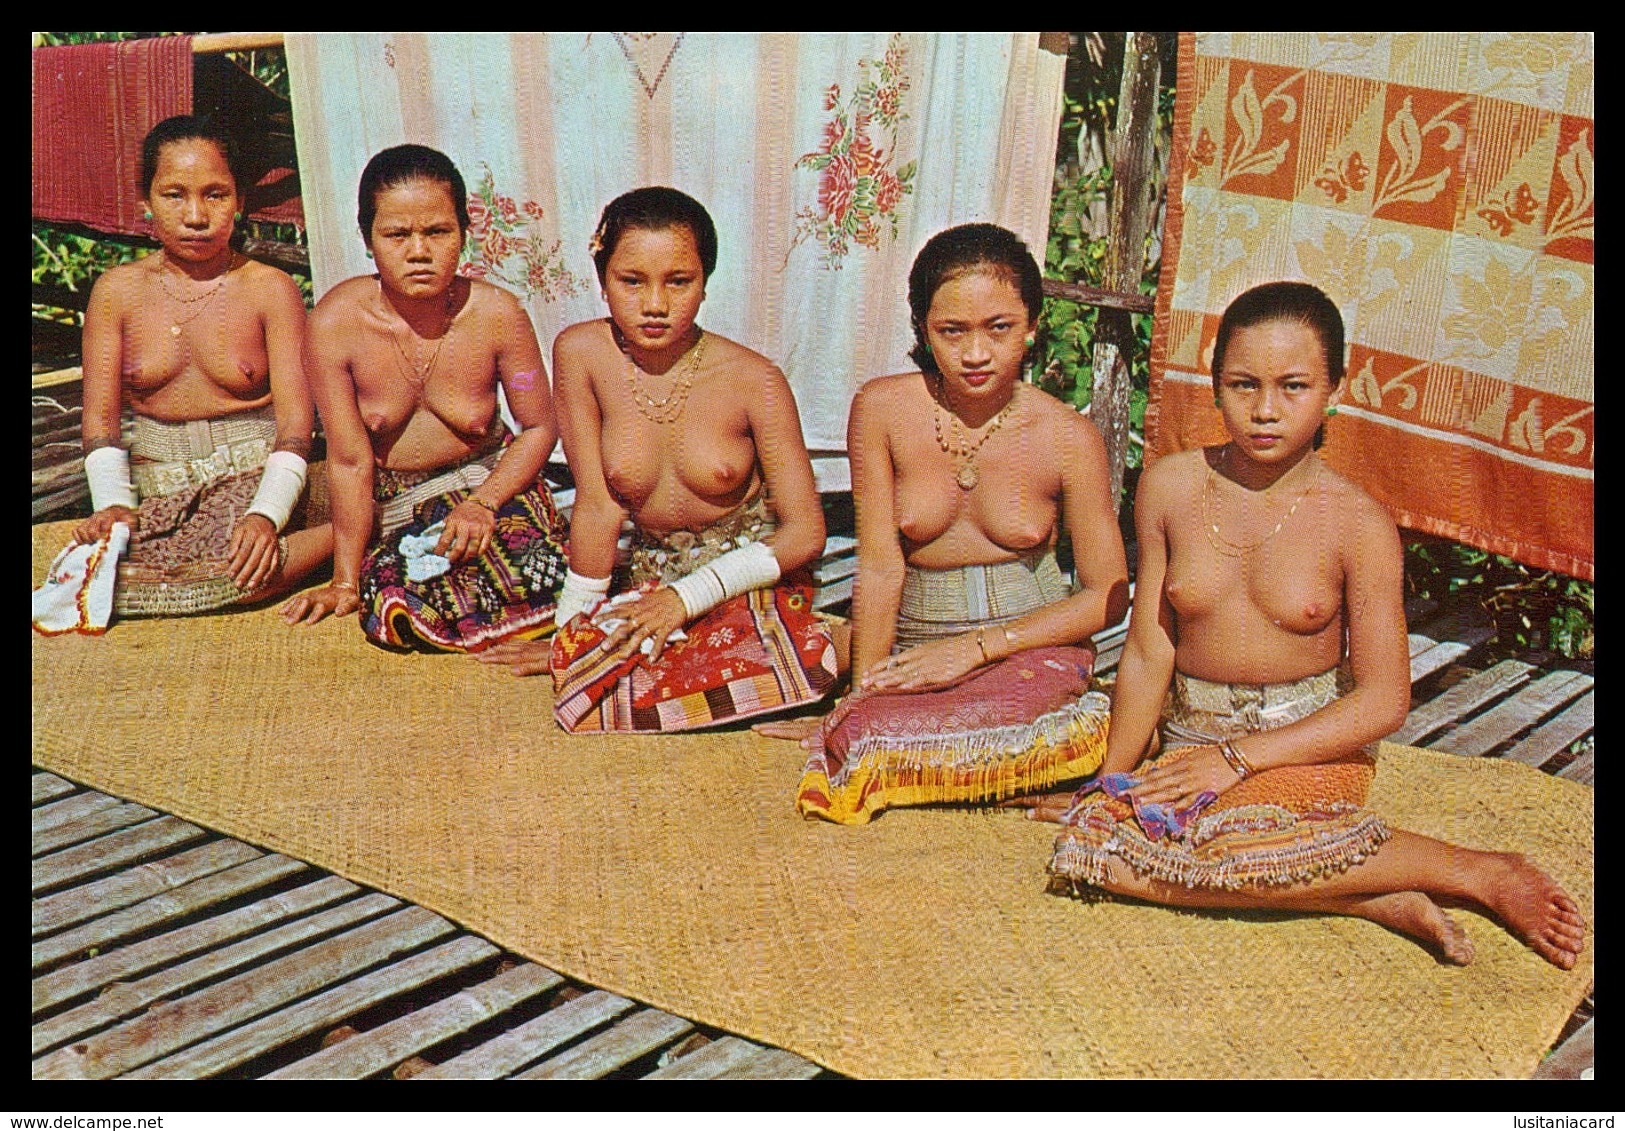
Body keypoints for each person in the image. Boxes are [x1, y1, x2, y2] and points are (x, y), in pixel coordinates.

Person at [1035, 281, 1586, 969]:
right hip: (1188, 743)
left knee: (1219, 843)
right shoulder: (1170, 486)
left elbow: (1383, 699)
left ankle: (1475, 869)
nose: (1265, 410)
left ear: (1334, 388)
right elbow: (1150, 649)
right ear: (1213, 383)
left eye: (1292, 386)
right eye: (1242, 384)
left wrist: (1238, 759)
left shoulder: (1356, 521)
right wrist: (1110, 783)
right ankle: (1366, 892)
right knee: (1093, 850)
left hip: (1305, 752)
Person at [792, 223, 1131, 824]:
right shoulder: (883, 410)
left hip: (1030, 654)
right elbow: (878, 563)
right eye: (953, 331)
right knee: (863, 733)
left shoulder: (1067, 436)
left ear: (1030, 327)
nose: (976, 354)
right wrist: (863, 689)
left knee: (1076, 729)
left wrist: (977, 650)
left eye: (998, 328)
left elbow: (1108, 595)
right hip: (921, 648)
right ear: (923, 329)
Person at [480, 187, 838, 732]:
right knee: (597, 681)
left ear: (705, 281)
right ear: (602, 282)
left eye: (679, 282)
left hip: (745, 583)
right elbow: (598, 509)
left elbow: (805, 533)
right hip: (649, 579)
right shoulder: (581, 354)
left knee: (789, 656)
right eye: (632, 281)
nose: (654, 304)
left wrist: (687, 597)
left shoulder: (754, 379)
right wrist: (570, 637)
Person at [281, 144, 567, 651]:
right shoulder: (334, 324)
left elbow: (539, 426)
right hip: (394, 507)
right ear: (368, 240)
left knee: (528, 569)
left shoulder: (500, 317)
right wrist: (345, 580)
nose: (418, 251)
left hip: (490, 487)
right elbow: (349, 460)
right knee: (397, 587)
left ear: (464, 232)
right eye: (396, 234)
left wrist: (485, 503)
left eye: (437, 232)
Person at [72, 115, 330, 617]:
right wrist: (113, 505)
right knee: (96, 582)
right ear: (145, 203)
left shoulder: (269, 289)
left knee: (239, 576)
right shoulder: (116, 293)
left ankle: (348, 533)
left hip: (257, 479)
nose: (196, 215)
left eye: (215, 195)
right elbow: (101, 427)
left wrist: (266, 514)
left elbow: (297, 429)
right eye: (175, 195)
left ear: (240, 202)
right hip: (160, 490)